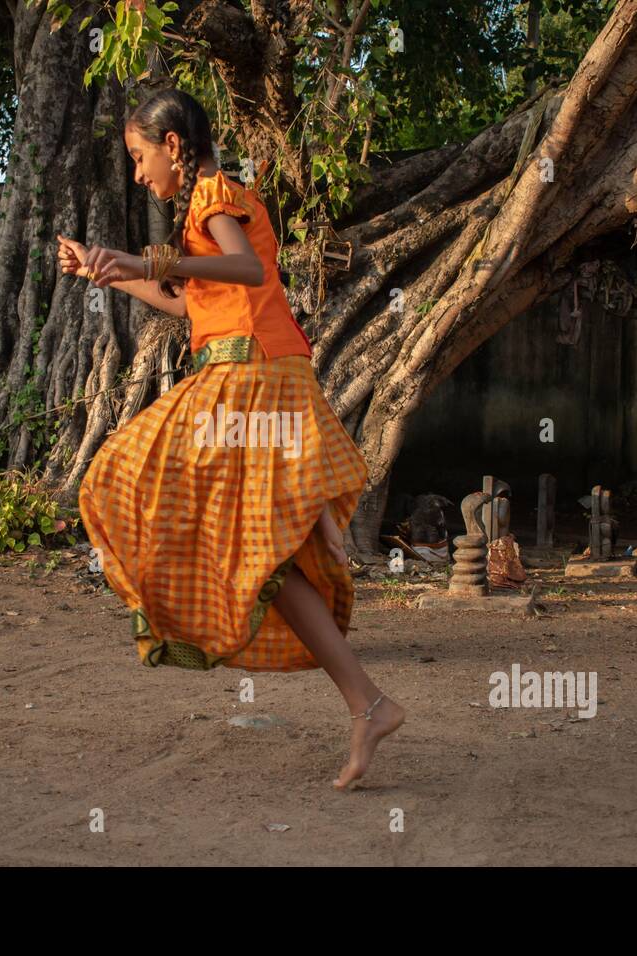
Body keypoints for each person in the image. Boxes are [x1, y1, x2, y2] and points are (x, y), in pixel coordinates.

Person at [58, 88, 403, 789]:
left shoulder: (212, 192)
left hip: (253, 374)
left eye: (138, 155)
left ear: (173, 145)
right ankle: (368, 702)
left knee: (118, 470)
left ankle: (318, 520)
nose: (136, 173)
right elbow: (193, 304)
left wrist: (153, 261)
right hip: (251, 370)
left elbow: (248, 271)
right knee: (263, 567)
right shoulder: (204, 205)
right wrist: (118, 271)